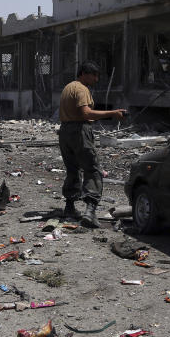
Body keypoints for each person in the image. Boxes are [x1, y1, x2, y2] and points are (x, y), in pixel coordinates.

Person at [58, 61, 128, 227]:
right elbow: (86, 113)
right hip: (79, 131)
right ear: (84, 74)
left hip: (65, 131)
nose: (96, 79)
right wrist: (113, 113)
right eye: (94, 75)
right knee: (92, 169)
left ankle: (70, 207)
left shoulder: (68, 87)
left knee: (73, 169)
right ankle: (90, 211)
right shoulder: (82, 89)